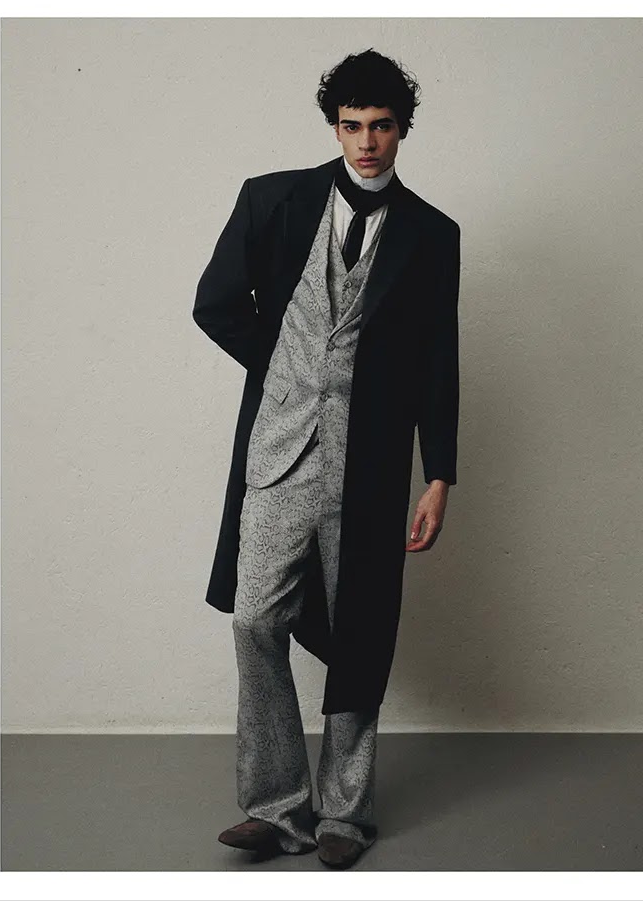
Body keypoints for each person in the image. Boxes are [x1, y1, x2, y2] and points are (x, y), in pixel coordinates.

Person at [192, 48, 461, 869]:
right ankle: (277, 806)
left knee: (360, 632)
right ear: (333, 127)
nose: (367, 143)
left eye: (382, 127)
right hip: (280, 452)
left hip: (370, 461)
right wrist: (285, 367)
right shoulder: (273, 200)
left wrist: (439, 473)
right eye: (352, 126)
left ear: (402, 130)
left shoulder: (432, 234)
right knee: (254, 618)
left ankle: (345, 810)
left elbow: (436, 360)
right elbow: (215, 301)